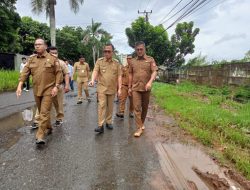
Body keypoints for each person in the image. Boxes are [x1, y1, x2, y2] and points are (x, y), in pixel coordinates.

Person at [16, 38, 62, 144]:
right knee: (42, 111)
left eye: (39, 44)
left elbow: (59, 73)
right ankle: (49, 127)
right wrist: (20, 85)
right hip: (36, 90)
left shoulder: (52, 58)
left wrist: (56, 86)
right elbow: (24, 73)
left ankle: (40, 135)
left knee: (44, 112)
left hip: (49, 90)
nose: (37, 46)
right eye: (35, 44)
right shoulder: (31, 59)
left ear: (45, 46)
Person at [89, 44, 122, 133]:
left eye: (109, 51)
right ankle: (100, 125)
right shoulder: (99, 61)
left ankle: (109, 122)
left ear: (113, 52)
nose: (106, 53)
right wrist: (92, 80)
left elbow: (119, 76)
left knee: (110, 107)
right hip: (102, 88)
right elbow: (95, 71)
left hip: (112, 88)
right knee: (102, 105)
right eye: (105, 51)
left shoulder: (116, 63)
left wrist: (119, 89)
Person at [128, 41, 158, 137]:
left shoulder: (150, 60)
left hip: (146, 88)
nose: (139, 51)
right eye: (137, 50)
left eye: (141, 49)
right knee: (137, 108)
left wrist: (150, 82)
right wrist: (129, 87)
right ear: (135, 50)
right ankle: (139, 128)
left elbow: (154, 72)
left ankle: (141, 123)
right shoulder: (132, 61)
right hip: (135, 88)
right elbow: (130, 74)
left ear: (144, 49)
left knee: (144, 108)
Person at [49, 46, 70, 126]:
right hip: (47, 86)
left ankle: (59, 118)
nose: (54, 55)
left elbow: (66, 74)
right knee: (43, 103)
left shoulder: (61, 63)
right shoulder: (45, 62)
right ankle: (37, 120)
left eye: (56, 53)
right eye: (52, 53)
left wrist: (67, 85)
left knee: (58, 104)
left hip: (58, 86)